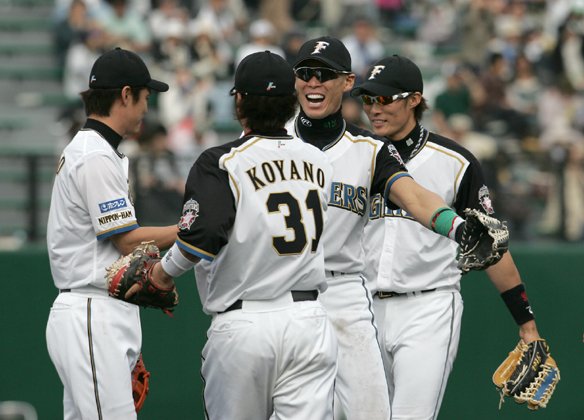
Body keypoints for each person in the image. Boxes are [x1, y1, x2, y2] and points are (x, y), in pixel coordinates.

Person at [286, 36, 492, 420]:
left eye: (324, 74)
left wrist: (459, 228)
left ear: (346, 81)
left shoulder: (370, 148)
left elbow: (415, 197)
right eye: (306, 73)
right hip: (279, 294)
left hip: (345, 291)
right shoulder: (269, 139)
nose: (314, 81)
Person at [133, 51, 338, 419]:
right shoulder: (319, 161)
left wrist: (162, 273)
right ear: (292, 102)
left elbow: (201, 236)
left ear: (239, 101)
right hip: (309, 320)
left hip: (245, 322)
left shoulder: (221, 161)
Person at [352, 54, 542, 419]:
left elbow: (490, 244)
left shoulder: (455, 162)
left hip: (427, 307)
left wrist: (526, 322)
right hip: (360, 309)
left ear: (414, 99)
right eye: (368, 99)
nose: (374, 108)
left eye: (385, 98)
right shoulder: (355, 155)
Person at [45, 47, 178, 419]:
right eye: (145, 97)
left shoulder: (95, 150)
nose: (147, 108)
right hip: (91, 309)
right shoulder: (95, 155)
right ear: (125, 94)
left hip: (94, 310)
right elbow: (126, 240)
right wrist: (187, 230)